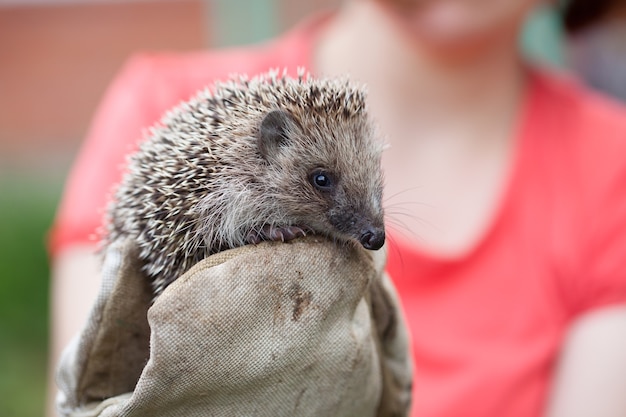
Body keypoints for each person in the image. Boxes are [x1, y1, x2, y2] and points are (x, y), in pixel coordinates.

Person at [48, 0, 626, 416]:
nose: (369, 229)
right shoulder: (152, 98)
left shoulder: (609, 168)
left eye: (369, 193)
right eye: (321, 181)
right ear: (267, 154)